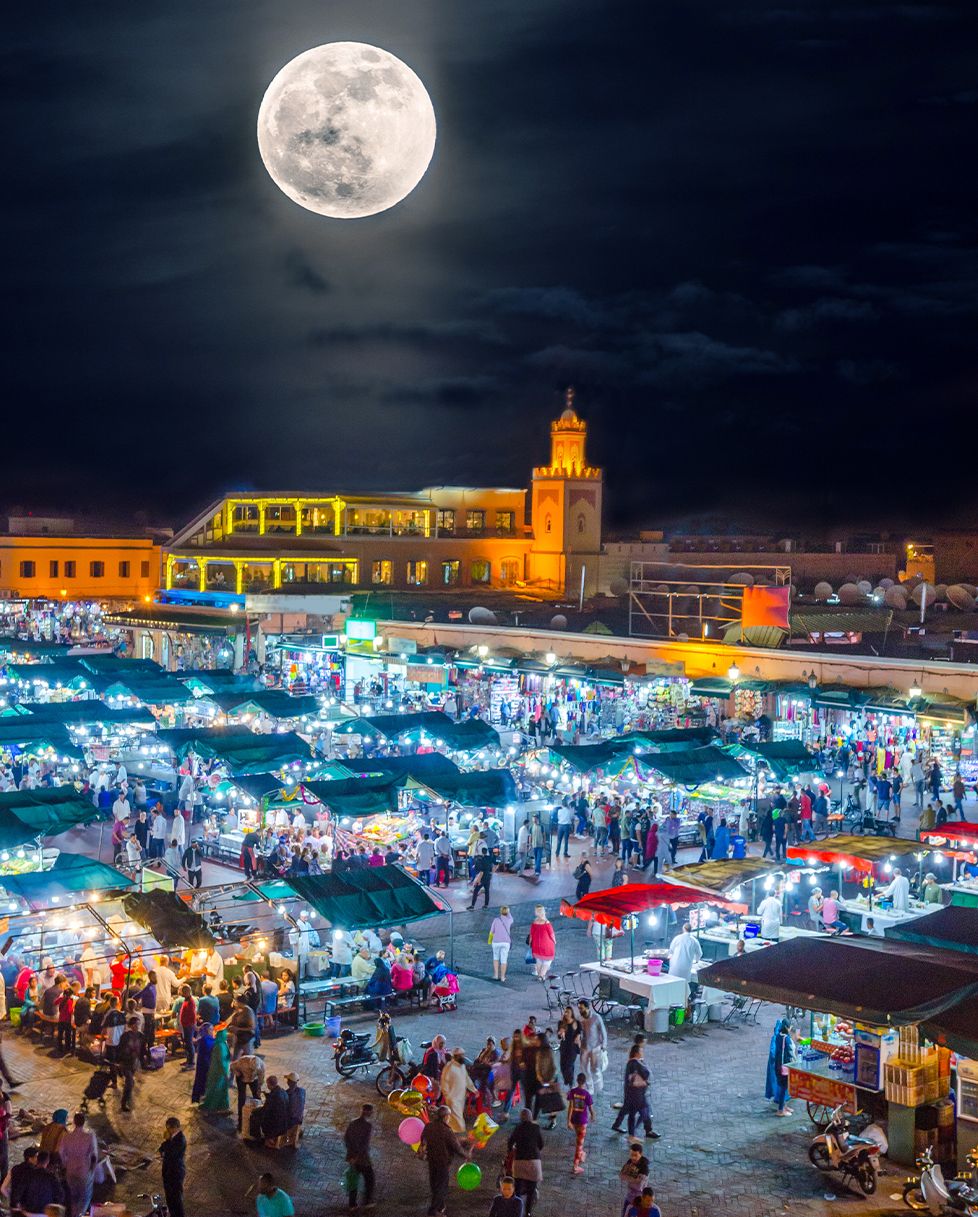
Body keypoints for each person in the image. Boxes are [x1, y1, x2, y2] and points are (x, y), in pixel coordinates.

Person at [419, 1105, 468, 1217]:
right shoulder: (447, 1131)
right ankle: (433, 1210)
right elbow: (456, 1147)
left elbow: (423, 1139)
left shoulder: (429, 1126)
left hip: (432, 1160)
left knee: (434, 1183)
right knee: (441, 1187)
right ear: (446, 1117)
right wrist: (466, 1154)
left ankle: (440, 1205)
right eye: (449, 1115)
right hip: (443, 1162)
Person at [611, 1044, 659, 1138]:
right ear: (637, 1053)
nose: (643, 1053)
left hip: (634, 1094)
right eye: (641, 1051)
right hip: (636, 1094)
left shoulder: (631, 1063)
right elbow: (646, 1073)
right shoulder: (635, 1063)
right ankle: (641, 1132)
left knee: (631, 1112)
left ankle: (629, 1131)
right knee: (639, 1112)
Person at [60, 1111, 99, 1217]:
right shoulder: (90, 1137)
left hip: (70, 1169)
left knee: (73, 1195)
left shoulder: (66, 1137)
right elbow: (94, 1155)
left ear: (74, 1122)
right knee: (85, 1196)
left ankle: (73, 1214)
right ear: (84, 1122)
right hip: (84, 1169)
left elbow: (61, 1153)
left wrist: (65, 1165)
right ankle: (80, 1214)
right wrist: (92, 1169)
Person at [508, 1109, 544, 1216]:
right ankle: (528, 1212)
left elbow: (510, 1143)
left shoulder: (517, 1128)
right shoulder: (536, 1128)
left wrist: (512, 1150)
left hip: (519, 1162)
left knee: (517, 1189)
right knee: (531, 1190)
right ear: (531, 1117)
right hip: (533, 1162)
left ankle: (517, 1211)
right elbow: (541, 1144)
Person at [343, 1102, 375, 1209]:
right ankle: (366, 1201)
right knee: (370, 1179)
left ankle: (352, 1204)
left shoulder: (352, 1123)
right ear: (369, 1112)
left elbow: (346, 1138)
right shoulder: (368, 1126)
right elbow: (364, 1144)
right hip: (362, 1159)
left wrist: (351, 1155)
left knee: (353, 1179)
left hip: (351, 1157)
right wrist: (357, 1156)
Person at [440, 1048, 477, 1133]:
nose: (463, 1057)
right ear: (456, 1056)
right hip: (453, 1098)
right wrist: (448, 1096)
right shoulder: (449, 1067)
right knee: (458, 1119)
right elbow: (444, 1082)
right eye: (461, 1055)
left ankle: (450, 1130)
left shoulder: (462, 1066)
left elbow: (466, 1079)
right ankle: (459, 1134)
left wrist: (474, 1090)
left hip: (461, 1097)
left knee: (455, 1116)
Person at [765, 1017, 795, 1115]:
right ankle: (780, 1110)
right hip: (784, 1066)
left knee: (783, 1087)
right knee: (783, 1088)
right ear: (787, 1027)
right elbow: (790, 1052)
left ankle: (784, 1107)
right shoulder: (787, 1039)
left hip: (778, 1065)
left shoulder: (778, 1036)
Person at [577, 1000, 608, 1095]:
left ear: (587, 1008)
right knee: (584, 1068)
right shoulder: (580, 1019)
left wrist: (604, 1045)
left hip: (595, 1048)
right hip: (584, 1048)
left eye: (581, 1008)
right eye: (579, 1008)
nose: (580, 1010)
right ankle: (590, 1088)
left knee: (595, 1069)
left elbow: (603, 1032)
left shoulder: (596, 1018)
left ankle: (599, 1087)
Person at [230, 1052, 265, 1132]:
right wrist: (238, 1074)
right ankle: (240, 1121)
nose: (253, 1071)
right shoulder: (242, 1062)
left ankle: (258, 1119)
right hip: (241, 1078)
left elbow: (261, 1078)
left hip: (253, 1080)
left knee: (257, 1097)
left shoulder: (261, 1065)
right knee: (242, 1098)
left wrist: (259, 1087)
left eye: (254, 1070)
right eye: (251, 1070)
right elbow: (232, 1066)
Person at [566, 1072, 593, 1175]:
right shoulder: (587, 1094)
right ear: (585, 1082)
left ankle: (581, 1155)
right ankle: (576, 1166)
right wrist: (593, 1115)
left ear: (577, 1081)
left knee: (578, 1139)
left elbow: (570, 1107)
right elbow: (590, 1108)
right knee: (579, 1144)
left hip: (574, 1120)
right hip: (582, 1121)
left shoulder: (572, 1092)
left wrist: (568, 1121)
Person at [251, 1076, 290, 1147]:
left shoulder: (273, 1097)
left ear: (269, 1084)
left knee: (255, 1116)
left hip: (276, 1125)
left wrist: (255, 1111)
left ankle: (260, 1138)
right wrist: (265, 1094)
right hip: (284, 1123)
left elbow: (265, 1110)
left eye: (267, 1084)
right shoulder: (283, 1092)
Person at [159, 1116, 187, 1217]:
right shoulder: (172, 1137)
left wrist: (166, 1145)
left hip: (176, 1172)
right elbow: (162, 1147)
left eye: (169, 1128)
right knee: (169, 1198)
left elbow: (171, 1153)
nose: (168, 1130)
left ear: (175, 1127)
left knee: (176, 1199)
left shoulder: (180, 1140)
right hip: (168, 1171)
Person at [117, 1017, 146, 1112]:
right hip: (125, 1062)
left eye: (139, 1024)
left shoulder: (141, 1036)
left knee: (130, 1081)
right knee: (129, 1082)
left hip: (134, 1062)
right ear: (131, 1025)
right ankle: (123, 1103)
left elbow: (142, 1050)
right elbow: (120, 1049)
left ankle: (128, 1095)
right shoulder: (125, 1036)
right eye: (136, 1024)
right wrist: (119, 1062)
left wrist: (142, 1061)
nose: (138, 1026)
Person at [201, 1026, 232, 1113]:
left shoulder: (222, 1043)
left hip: (220, 1071)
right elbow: (221, 1061)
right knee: (217, 1090)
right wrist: (225, 1074)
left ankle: (223, 1107)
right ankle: (215, 1108)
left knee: (222, 1090)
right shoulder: (220, 1046)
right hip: (218, 1073)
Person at [620, 1143, 650, 1214]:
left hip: (639, 1198)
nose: (633, 1158)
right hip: (630, 1195)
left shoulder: (644, 1168)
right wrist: (633, 1178)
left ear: (641, 1154)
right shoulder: (630, 1161)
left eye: (635, 1155)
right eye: (631, 1155)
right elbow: (621, 1175)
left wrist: (629, 1176)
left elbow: (639, 1184)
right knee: (625, 1213)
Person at [528, 906, 556, 980]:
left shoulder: (534, 923)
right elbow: (552, 934)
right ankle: (541, 976)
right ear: (543, 912)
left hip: (536, 945)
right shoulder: (547, 923)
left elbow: (531, 935)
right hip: (546, 945)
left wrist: (531, 943)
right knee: (547, 961)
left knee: (539, 960)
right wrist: (555, 941)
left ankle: (540, 976)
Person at [191, 1022, 216, 1104]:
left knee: (199, 1080)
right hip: (206, 1064)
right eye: (211, 1029)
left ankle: (197, 1098)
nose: (213, 1031)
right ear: (208, 1030)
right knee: (204, 1081)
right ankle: (203, 1099)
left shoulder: (203, 1039)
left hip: (202, 1063)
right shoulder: (207, 1040)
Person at [557, 1006, 581, 1087]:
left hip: (572, 1048)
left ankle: (571, 1083)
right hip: (564, 1047)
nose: (566, 1014)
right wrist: (560, 1033)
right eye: (565, 1012)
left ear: (572, 1014)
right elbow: (559, 1036)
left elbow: (579, 1032)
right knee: (562, 1066)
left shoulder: (576, 1023)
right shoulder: (561, 1023)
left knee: (569, 1065)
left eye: (568, 1012)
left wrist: (578, 1036)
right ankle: (568, 1079)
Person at [489, 905, 513, 982]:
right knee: (504, 960)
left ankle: (496, 975)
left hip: (496, 942)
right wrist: (508, 912)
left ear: (500, 911)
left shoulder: (496, 920)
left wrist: (489, 941)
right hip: (506, 943)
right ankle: (502, 977)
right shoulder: (509, 920)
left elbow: (491, 931)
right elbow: (511, 917)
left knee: (496, 958)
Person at [283, 1072, 305, 1148]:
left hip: (291, 1120)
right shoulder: (302, 1091)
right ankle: (297, 1131)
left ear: (289, 1082)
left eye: (288, 1080)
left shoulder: (287, 1094)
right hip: (300, 1118)